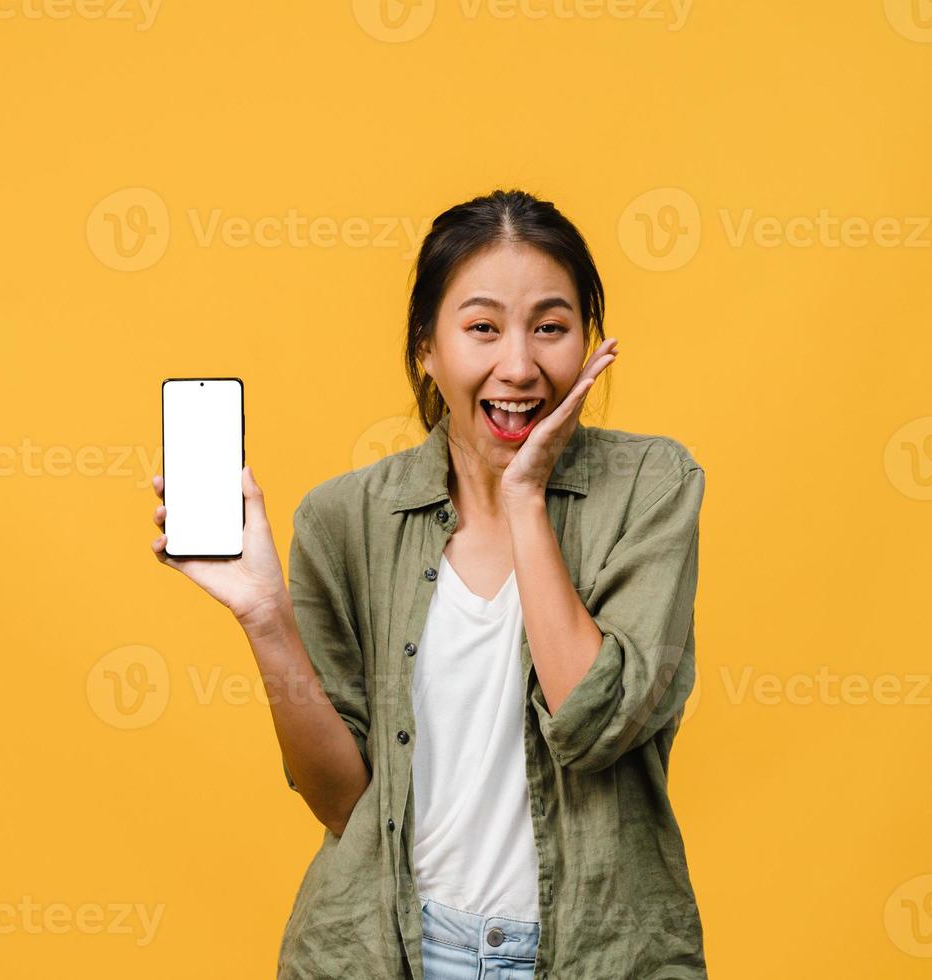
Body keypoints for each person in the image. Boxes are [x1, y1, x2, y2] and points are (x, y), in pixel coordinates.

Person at [149, 188, 708, 979]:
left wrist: (523, 498)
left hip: (600, 954)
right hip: (384, 953)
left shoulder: (652, 485)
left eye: (551, 327)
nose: (517, 364)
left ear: (586, 340)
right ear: (427, 348)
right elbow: (343, 802)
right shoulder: (347, 519)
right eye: (482, 328)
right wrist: (266, 618)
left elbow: (593, 725)